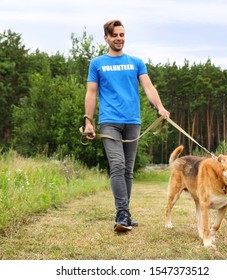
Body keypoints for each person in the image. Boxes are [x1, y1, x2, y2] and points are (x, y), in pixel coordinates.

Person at [83, 19, 170, 232]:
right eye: (115, 35)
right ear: (106, 38)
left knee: (128, 171)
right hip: (109, 122)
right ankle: (122, 213)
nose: (119, 38)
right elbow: (91, 93)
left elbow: (148, 87)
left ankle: (125, 213)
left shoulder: (136, 62)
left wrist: (160, 107)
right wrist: (88, 121)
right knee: (118, 166)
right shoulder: (97, 64)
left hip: (133, 122)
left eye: (122, 35)